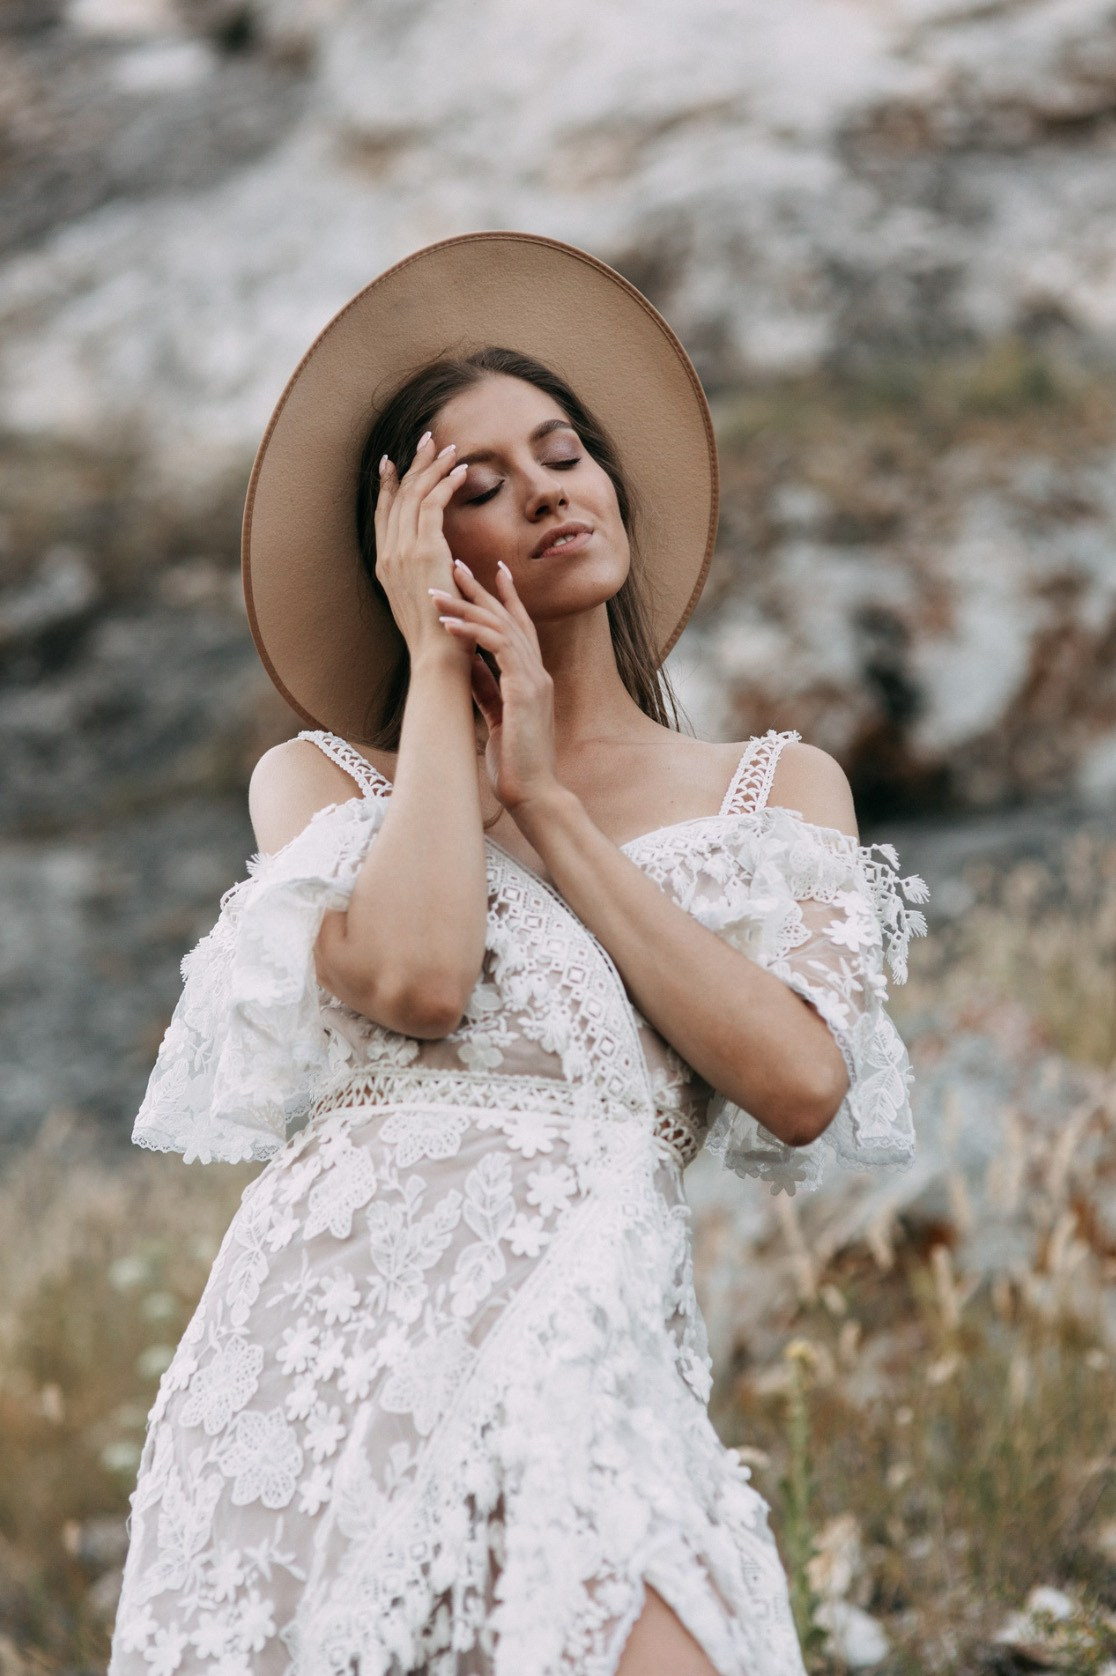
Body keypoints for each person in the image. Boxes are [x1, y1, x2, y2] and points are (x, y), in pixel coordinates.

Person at [109, 234, 926, 1676]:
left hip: (584, 1337)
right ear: (410, 556)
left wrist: (549, 804)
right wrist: (441, 676)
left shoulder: (775, 791)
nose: (547, 489)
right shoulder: (325, 786)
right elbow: (421, 980)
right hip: (327, 1360)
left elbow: (803, 1084)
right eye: (475, 486)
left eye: (563, 453)